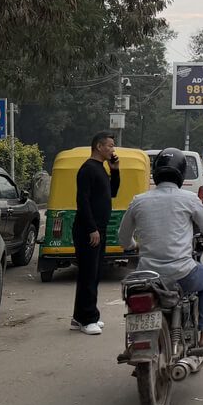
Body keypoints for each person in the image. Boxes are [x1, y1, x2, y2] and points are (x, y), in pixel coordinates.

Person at [119, 148, 203, 350]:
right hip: (182, 273)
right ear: (181, 173)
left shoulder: (138, 200)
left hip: (147, 275)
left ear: (155, 172)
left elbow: (123, 238)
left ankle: (135, 341)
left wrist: (133, 245)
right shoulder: (189, 198)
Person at [71, 131, 120, 335]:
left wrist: (115, 170)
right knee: (88, 274)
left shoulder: (101, 168)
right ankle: (87, 318)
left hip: (99, 228)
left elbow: (113, 192)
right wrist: (91, 228)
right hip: (87, 229)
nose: (112, 149)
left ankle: (80, 316)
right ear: (99, 147)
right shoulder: (87, 169)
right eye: (109, 146)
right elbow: (82, 201)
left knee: (95, 273)